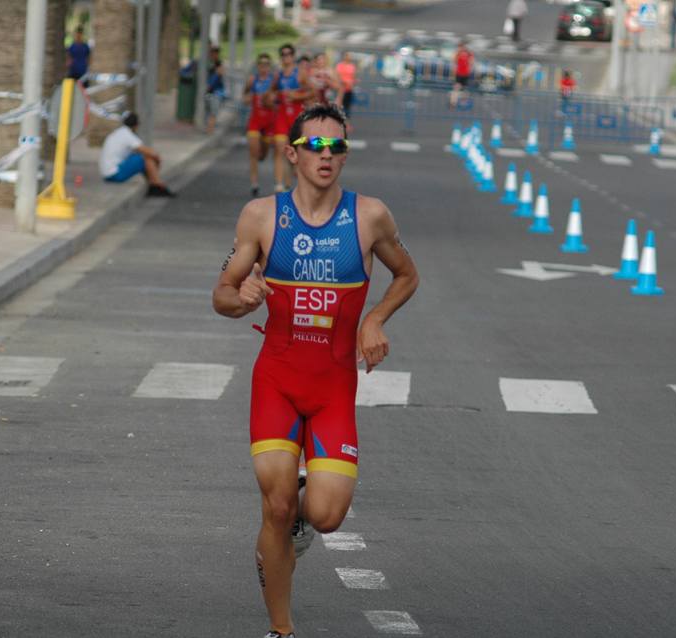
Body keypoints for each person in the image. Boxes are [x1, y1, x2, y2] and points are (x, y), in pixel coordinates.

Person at [212, 104, 419, 638]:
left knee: (324, 516)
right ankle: (281, 630)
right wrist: (244, 298)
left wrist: (374, 318)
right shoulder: (262, 216)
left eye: (337, 148)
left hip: (333, 389)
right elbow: (223, 294)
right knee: (276, 506)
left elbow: (406, 274)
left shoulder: (369, 216)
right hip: (277, 381)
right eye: (316, 147)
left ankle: (298, 520)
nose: (326, 157)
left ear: (345, 155)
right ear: (293, 154)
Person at [98, 112, 174, 197]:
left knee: (142, 159)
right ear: (136, 125)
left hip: (107, 174)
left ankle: (154, 185)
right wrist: (158, 160)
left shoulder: (118, 133)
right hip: (115, 174)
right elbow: (149, 152)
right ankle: (157, 185)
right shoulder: (128, 135)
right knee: (144, 158)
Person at [272, 44, 309, 192]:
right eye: (283, 54)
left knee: (295, 151)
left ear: (293, 56)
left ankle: (289, 181)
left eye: (288, 54)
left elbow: (312, 92)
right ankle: (279, 184)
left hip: (296, 118)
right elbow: (271, 92)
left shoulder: (300, 73)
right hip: (281, 116)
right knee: (280, 149)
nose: (286, 57)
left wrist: (297, 96)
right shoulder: (278, 75)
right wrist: (272, 98)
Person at [245, 53, 277, 197]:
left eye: (266, 65)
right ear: (258, 66)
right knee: (253, 151)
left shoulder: (274, 82)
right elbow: (245, 95)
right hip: (255, 121)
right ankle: (254, 184)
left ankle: (262, 154)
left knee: (262, 154)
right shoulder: (253, 80)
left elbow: (276, 101)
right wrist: (248, 98)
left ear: (269, 67)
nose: (264, 68)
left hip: (269, 122)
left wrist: (270, 101)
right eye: (261, 65)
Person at [205, 60, 227, 135]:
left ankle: (210, 129)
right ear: (218, 68)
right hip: (214, 97)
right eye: (222, 68)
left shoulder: (218, 76)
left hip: (215, 97)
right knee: (213, 114)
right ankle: (210, 130)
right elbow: (209, 86)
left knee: (212, 114)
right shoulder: (216, 76)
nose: (223, 70)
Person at [450, 41, 473, 108]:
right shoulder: (459, 53)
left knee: (463, 89)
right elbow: (454, 61)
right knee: (457, 88)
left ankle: (461, 102)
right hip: (460, 73)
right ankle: (454, 102)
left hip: (464, 73)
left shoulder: (468, 54)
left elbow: (471, 62)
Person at [334, 51, 358, 119]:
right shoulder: (339, 65)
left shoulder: (352, 66)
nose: (348, 57)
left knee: (347, 107)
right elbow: (337, 76)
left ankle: (346, 122)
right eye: (347, 55)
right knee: (339, 105)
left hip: (349, 89)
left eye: (349, 56)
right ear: (343, 56)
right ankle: (339, 120)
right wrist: (342, 82)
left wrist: (354, 81)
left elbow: (354, 77)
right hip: (341, 89)